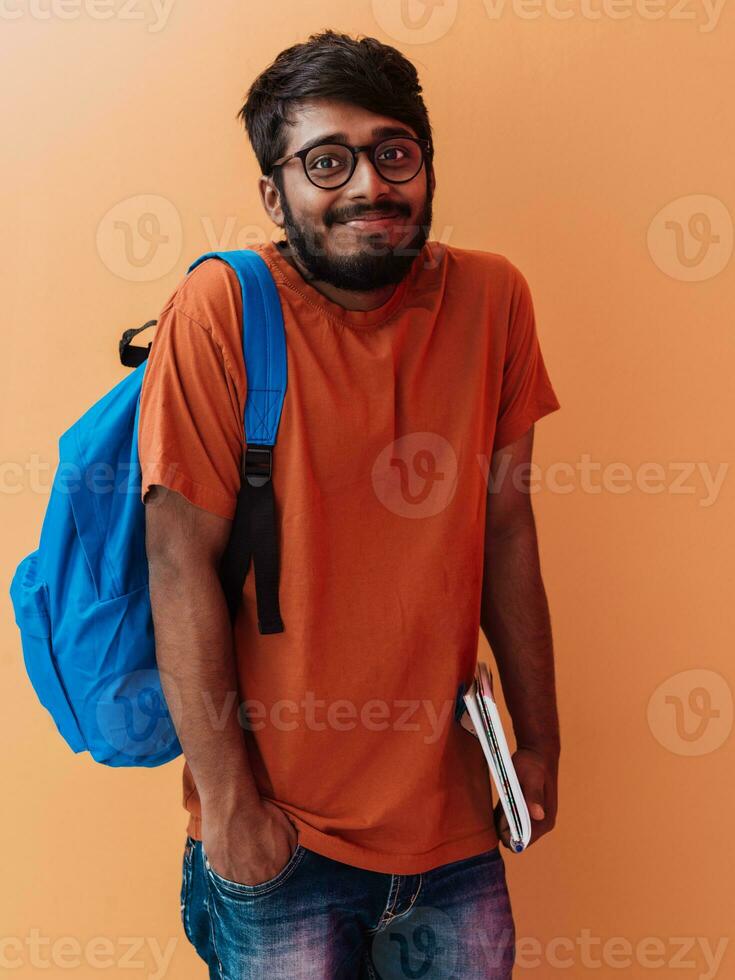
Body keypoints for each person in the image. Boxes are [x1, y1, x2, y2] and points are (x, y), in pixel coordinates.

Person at [138, 28, 561, 980]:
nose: (369, 184)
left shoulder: (494, 299)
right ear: (273, 193)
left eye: (393, 152)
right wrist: (234, 813)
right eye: (325, 161)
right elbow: (178, 564)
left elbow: (505, 529)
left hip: (451, 831)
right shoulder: (220, 311)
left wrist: (537, 745)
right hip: (282, 833)